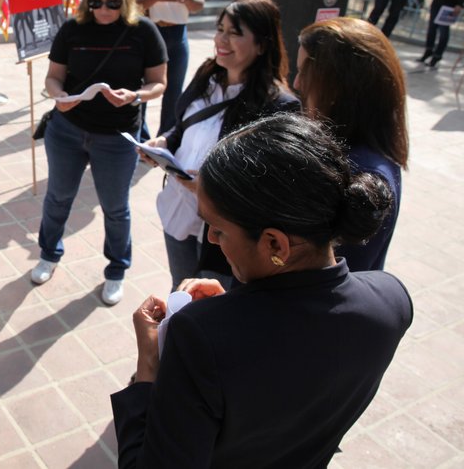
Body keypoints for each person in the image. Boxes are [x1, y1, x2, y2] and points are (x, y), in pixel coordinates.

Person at [111, 113, 413, 468]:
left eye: (218, 229)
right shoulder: (392, 300)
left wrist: (148, 369)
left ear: (275, 244)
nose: (209, 238)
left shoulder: (199, 337)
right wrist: (237, 312)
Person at [32, 0, 167, 305]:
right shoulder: (73, 29)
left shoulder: (143, 32)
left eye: (112, 2)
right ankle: (48, 253)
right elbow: (53, 76)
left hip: (117, 136)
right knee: (59, 196)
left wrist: (135, 95)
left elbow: (159, 83)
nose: (103, 9)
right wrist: (58, 95)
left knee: (115, 207)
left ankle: (117, 269)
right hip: (67, 129)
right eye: (96, 2)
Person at [144, 0, 298, 290]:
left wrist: (213, 187)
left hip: (222, 232)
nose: (221, 39)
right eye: (220, 29)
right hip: (179, 210)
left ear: (262, 45)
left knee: (210, 298)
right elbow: (184, 126)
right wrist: (164, 142)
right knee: (181, 288)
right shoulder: (208, 74)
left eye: (235, 32)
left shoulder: (277, 106)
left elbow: (271, 185)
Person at [294, 17, 408, 272]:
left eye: (304, 72)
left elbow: (334, 277)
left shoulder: (360, 173)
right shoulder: (358, 153)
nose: (297, 84)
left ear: (337, 87)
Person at [128, 0, 205, 135]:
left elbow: (200, 3)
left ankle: (165, 140)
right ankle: (140, 138)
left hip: (177, 35)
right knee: (144, 89)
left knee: (174, 91)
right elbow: (129, 5)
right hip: (148, 36)